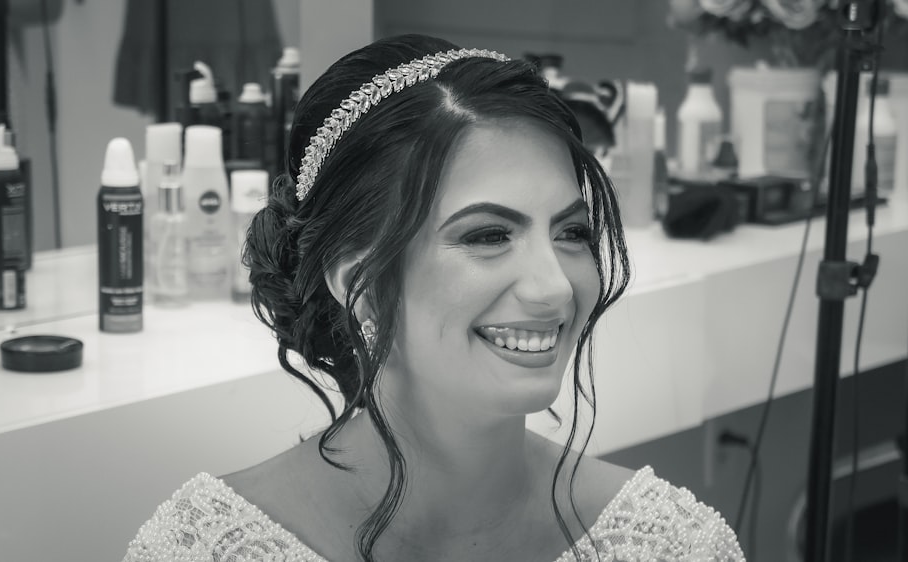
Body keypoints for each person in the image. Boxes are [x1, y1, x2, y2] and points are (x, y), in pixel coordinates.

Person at [122, 34, 745, 561]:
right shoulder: (204, 548)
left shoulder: (671, 546)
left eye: (571, 232)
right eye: (488, 235)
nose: (554, 285)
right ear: (358, 284)